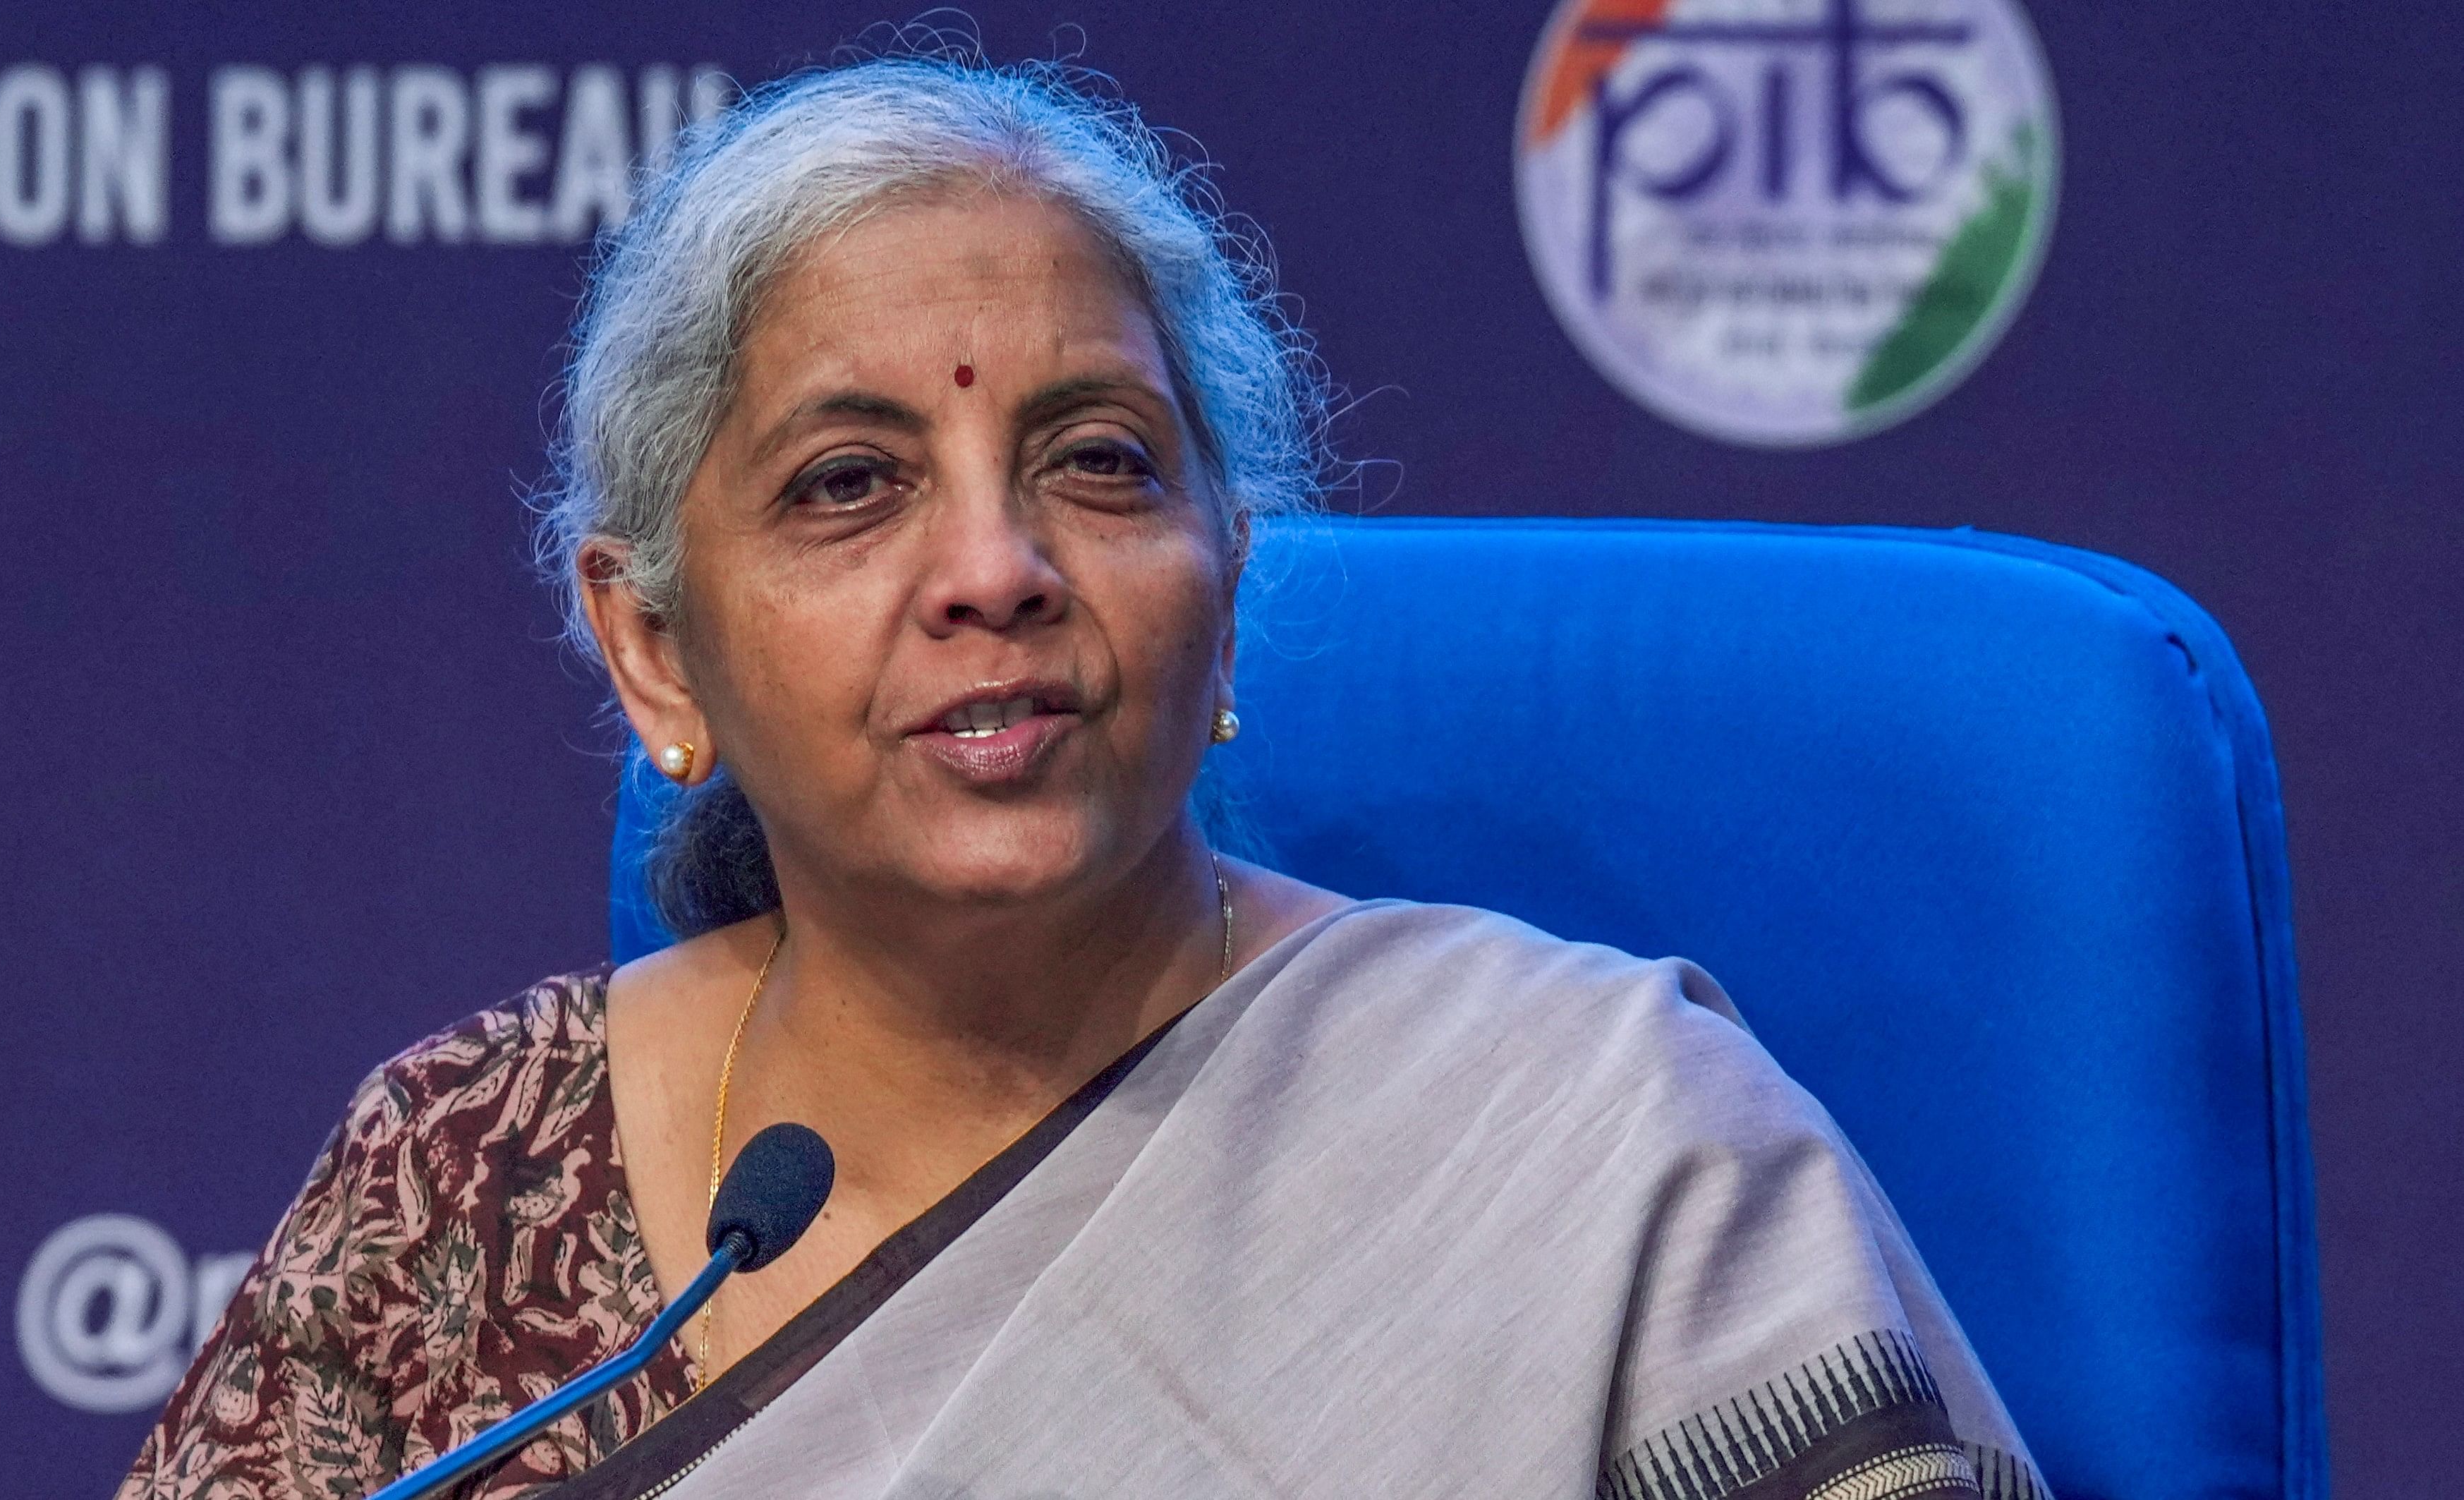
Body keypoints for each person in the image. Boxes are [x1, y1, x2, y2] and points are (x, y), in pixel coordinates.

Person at [119, 52, 2047, 1500]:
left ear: (1228, 566)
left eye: (1100, 461)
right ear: (653, 646)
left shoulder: (1596, 1138)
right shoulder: (462, 1187)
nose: (994, 570)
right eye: (848, 485)